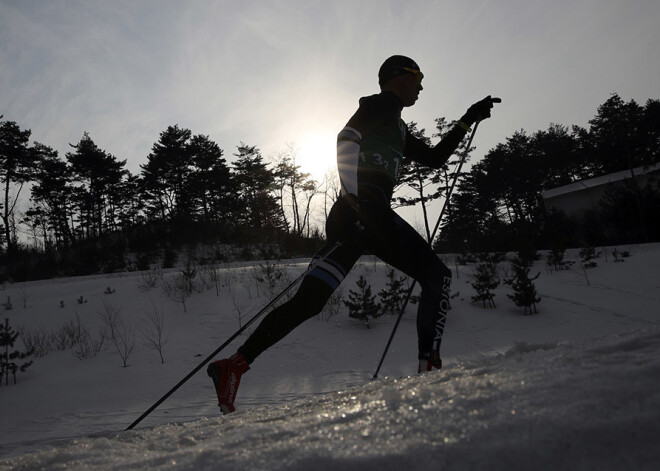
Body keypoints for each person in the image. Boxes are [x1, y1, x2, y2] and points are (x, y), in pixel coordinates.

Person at [208, 55, 499, 414]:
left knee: (309, 302)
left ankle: (233, 367)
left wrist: (467, 119)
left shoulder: (399, 126)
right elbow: (346, 138)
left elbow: (436, 158)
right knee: (436, 274)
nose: (422, 86)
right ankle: (430, 373)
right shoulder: (384, 105)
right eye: (418, 77)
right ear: (399, 78)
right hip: (365, 213)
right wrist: (357, 200)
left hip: (354, 218)